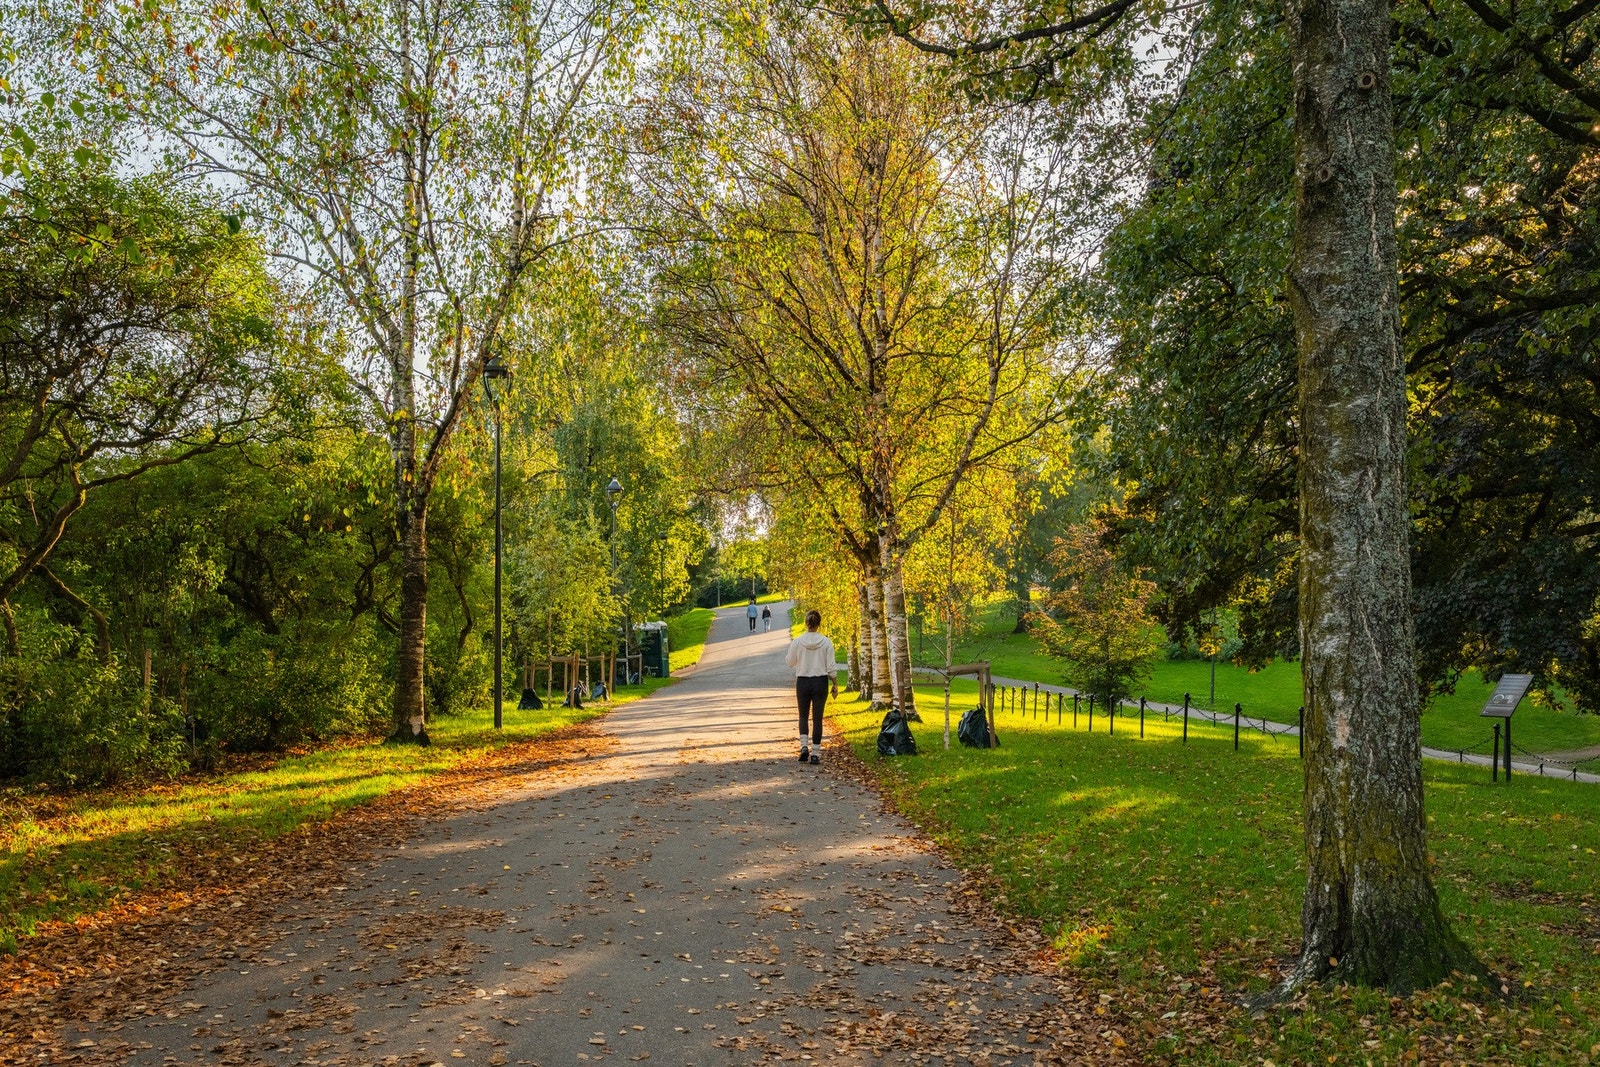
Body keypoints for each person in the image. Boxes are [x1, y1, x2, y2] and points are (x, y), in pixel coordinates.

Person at [784, 609, 837, 765]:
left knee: (803, 716)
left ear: (806, 623)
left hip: (803, 681)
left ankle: (803, 747)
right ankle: (815, 753)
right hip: (820, 681)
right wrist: (835, 684)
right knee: (818, 718)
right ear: (819, 624)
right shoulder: (826, 642)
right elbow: (831, 667)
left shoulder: (798, 641)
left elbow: (790, 662)